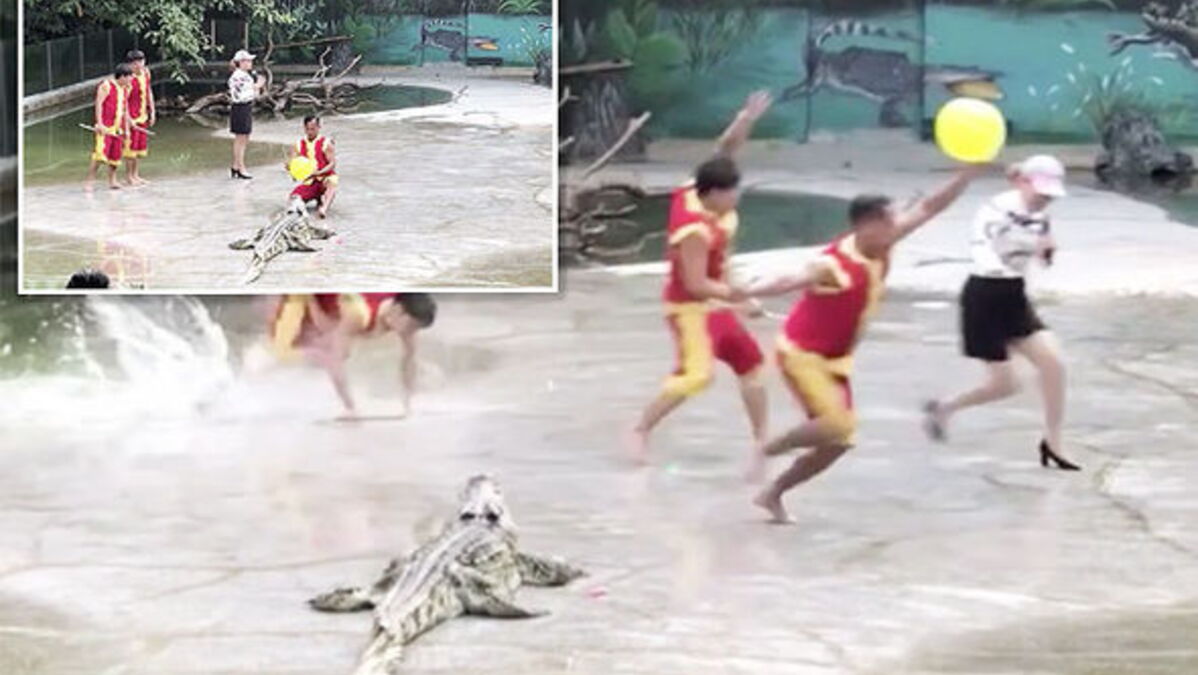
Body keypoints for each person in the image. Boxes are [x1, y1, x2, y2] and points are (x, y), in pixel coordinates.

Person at [743, 163, 988, 524]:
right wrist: (743, 291)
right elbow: (789, 279)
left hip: (835, 359)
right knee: (835, 425)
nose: (895, 226)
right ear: (865, 225)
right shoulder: (833, 263)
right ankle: (767, 449)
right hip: (801, 354)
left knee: (839, 443)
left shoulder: (883, 242)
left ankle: (772, 494)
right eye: (887, 221)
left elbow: (930, 206)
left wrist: (968, 173)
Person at [627, 91, 774, 480]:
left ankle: (761, 443)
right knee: (697, 375)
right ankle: (641, 429)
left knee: (751, 365)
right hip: (688, 308)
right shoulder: (693, 228)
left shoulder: (698, 186)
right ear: (712, 195)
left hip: (716, 303)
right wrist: (741, 298)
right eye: (732, 192)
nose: (737, 196)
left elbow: (724, 150)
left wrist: (745, 118)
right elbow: (695, 285)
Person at [922, 155, 1080, 471]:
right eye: (1041, 193)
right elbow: (984, 250)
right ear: (1023, 182)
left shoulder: (1040, 214)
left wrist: (1046, 250)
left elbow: (1042, 242)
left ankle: (1053, 442)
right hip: (984, 297)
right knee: (1005, 385)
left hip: (1014, 297)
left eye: (1050, 196)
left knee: (1054, 364)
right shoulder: (995, 210)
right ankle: (944, 408)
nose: (1044, 200)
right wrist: (1016, 255)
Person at [269, 293, 436, 418]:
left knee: (329, 342)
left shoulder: (402, 318)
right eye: (411, 326)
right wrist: (350, 407)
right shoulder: (359, 315)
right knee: (284, 354)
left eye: (416, 328)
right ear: (397, 310)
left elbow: (409, 360)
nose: (412, 332)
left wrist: (408, 402)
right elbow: (334, 359)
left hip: (331, 303)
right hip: (304, 294)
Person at [85, 64, 133, 191]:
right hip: (105, 127)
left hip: (118, 128)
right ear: (122, 77)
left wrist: (126, 128)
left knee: (115, 156)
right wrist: (99, 123)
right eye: (129, 77)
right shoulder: (106, 86)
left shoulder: (125, 89)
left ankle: (112, 180)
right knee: (99, 155)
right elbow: (99, 104)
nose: (131, 79)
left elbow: (124, 109)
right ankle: (89, 182)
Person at [286, 115, 338, 218]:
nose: (310, 132)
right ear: (304, 128)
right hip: (309, 180)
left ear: (319, 127)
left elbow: (332, 164)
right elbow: (293, 163)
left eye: (313, 129)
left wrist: (319, 173)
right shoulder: (298, 144)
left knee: (331, 185)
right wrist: (291, 170)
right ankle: (313, 200)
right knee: (293, 198)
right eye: (307, 129)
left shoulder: (326, 143)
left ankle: (323, 209)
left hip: (324, 177)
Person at [228, 49, 266, 180]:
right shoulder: (238, 76)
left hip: (245, 107)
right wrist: (257, 85)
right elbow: (241, 94)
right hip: (240, 107)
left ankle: (236, 165)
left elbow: (253, 93)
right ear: (241, 62)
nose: (250, 63)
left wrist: (257, 87)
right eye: (248, 61)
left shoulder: (245, 75)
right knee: (240, 138)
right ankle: (241, 167)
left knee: (244, 137)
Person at [122, 50, 155, 186]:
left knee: (139, 148)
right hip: (131, 117)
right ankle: (129, 176)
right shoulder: (128, 78)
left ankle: (136, 174)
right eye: (135, 63)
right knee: (130, 149)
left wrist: (152, 110)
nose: (138, 65)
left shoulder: (146, 73)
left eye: (141, 61)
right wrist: (128, 119)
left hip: (142, 115)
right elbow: (123, 100)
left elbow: (148, 91)